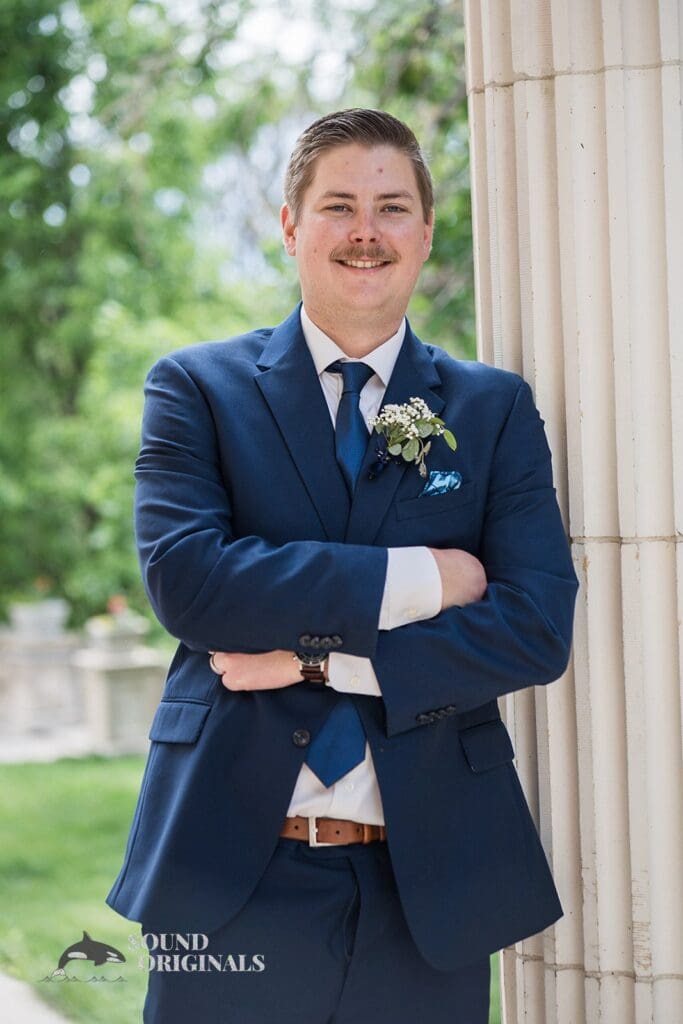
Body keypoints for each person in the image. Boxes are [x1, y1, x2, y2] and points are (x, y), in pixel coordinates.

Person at [107, 108, 579, 1024]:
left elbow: (534, 627)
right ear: (290, 226)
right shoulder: (194, 388)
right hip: (231, 871)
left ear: (425, 232)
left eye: (393, 207)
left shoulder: (490, 409)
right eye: (339, 206)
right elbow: (192, 583)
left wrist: (315, 661)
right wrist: (426, 581)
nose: (367, 231)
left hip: (431, 878)